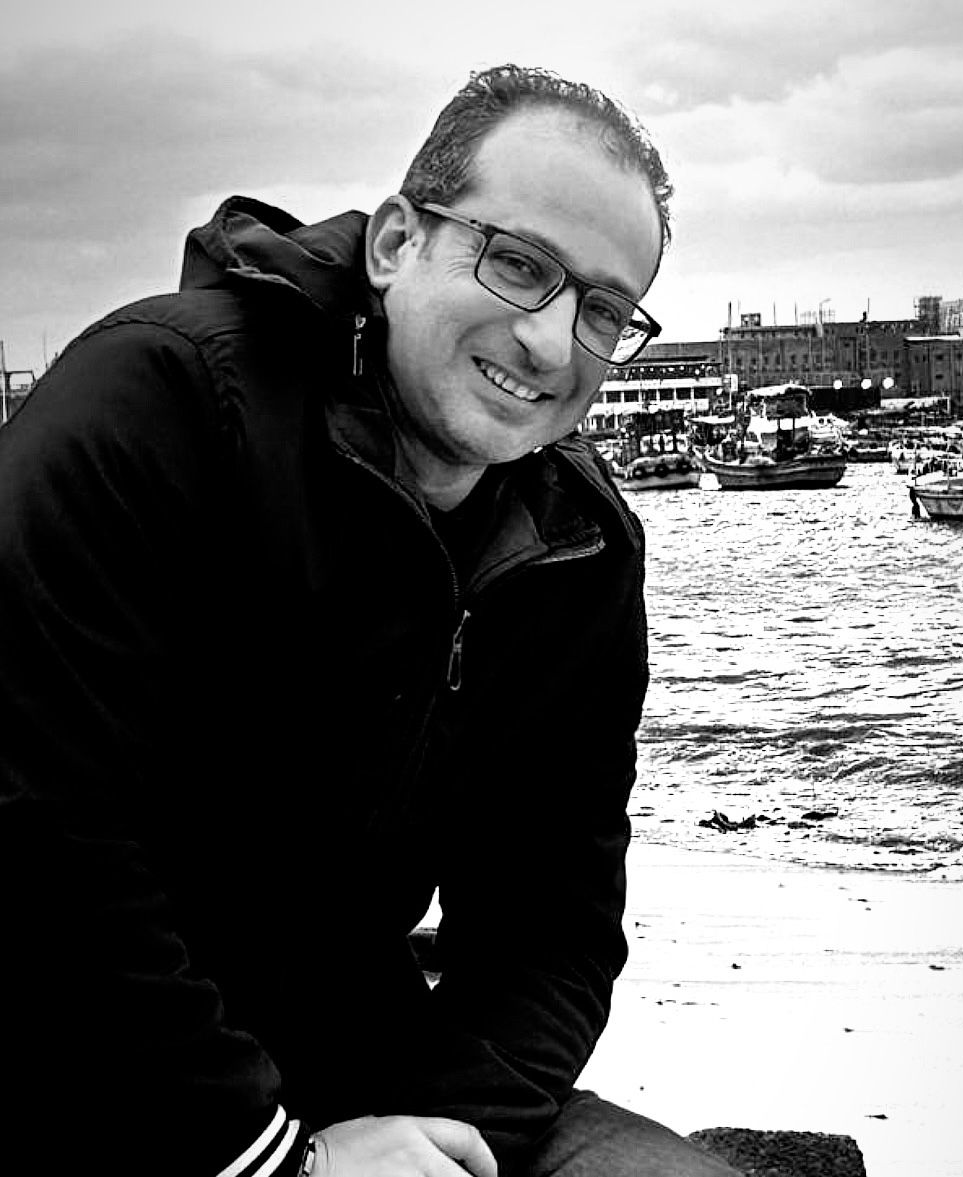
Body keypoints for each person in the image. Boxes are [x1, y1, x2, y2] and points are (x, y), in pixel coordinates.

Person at [0, 64, 741, 1177]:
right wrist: (283, 1163)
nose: (550, 343)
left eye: (601, 310)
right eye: (519, 264)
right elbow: (40, 845)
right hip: (67, 1068)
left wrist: (444, 1138)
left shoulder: (580, 550)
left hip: (355, 1058)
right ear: (397, 243)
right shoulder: (161, 404)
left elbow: (552, 923)